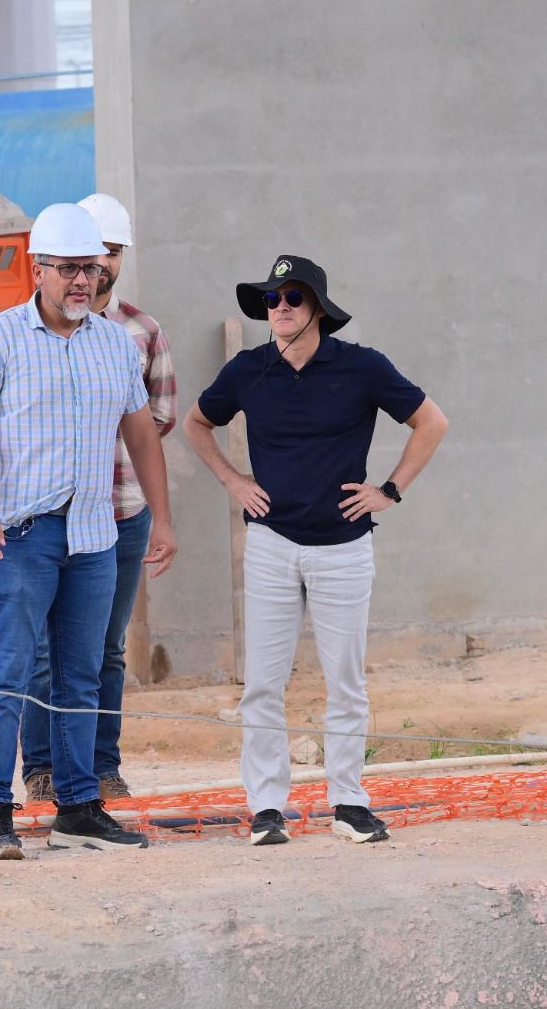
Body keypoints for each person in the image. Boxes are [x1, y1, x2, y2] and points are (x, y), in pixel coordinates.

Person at [184, 255, 448, 846]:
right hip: (272, 543)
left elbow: (432, 423)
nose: (279, 307)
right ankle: (266, 808)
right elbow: (196, 423)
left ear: (319, 309)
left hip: (344, 547)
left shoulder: (362, 367)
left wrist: (390, 490)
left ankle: (349, 802)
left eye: (292, 297)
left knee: (345, 681)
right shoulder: (248, 370)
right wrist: (233, 481)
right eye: (271, 299)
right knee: (262, 683)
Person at [0, 203, 178, 860]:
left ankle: (78, 809)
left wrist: (161, 517)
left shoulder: (113, 342)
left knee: (82, 677)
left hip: (93, 537)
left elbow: (141, 435)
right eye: (70, 269)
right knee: (11, 672)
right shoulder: (0, 337)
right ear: (39, 270)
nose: (84, 280)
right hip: (20, 536)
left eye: (93, 268)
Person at [20, 192, 176, 804]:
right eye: (90, 255)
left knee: (104, 652)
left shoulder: (141, 332)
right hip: (49, 518)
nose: (100, 265)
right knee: (38, 653)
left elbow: (157, 420)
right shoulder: (26, 331)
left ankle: (101, 766)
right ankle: (41, 770)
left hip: (121, 514)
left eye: (111, 252)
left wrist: (101, 427)